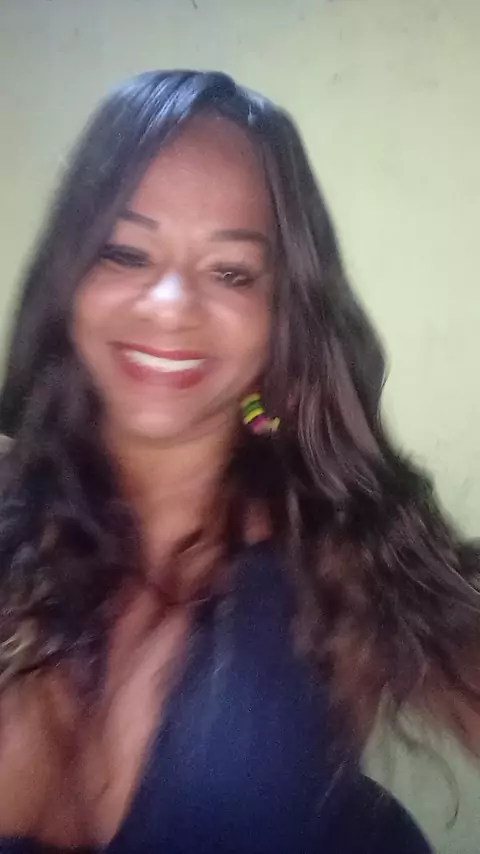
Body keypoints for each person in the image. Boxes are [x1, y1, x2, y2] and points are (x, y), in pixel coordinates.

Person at [0, 68, 478, 854]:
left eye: (230, 272)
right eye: (124, 251)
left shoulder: (341, 530)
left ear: (283, 309)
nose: (170, 306)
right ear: (69, 272)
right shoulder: (15, 514)